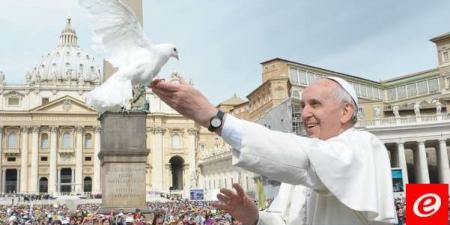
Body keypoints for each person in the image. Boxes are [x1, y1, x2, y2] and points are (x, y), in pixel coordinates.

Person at [151, 76, 397, 225]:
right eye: (302, 105)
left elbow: (306, 160)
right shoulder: (304, 167)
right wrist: (255, 217)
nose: (305, 113)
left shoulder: (365, 146)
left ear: (346, 112)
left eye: (315, 104)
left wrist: (215, 119)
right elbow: (284, 221)